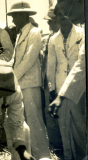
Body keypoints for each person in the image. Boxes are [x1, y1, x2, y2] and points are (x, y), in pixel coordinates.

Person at [7, 1, 51, 159]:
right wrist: (2, 68)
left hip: (30, 84)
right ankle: (29, 155)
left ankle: (43, 156)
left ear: (23, 15)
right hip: (21, 84)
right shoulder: (20, 34)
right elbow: (15, 59)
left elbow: (29, 60)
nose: (12, 20)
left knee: (34, 121)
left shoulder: (34, 32)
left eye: (14, 16)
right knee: (23, 122)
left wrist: (13, 77)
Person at [46, 2, 85, 159]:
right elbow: (51, 67)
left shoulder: (82, 34)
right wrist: (52, 89)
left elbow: (80, 64)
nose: (63, 16)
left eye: (65, 13)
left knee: (79, 128)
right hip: (60, 89)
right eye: (59, 13)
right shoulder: (53, 39)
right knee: (64, 129)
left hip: (78, 89)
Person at [40, 6, 63, 158]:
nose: (49, 25)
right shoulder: (47, 39)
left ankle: (61, 147)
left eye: (51, 22)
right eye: (48, 22)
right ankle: (55, 146)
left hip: (59, 84)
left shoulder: (63, 39)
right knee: (49, 116)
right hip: (47, 83)